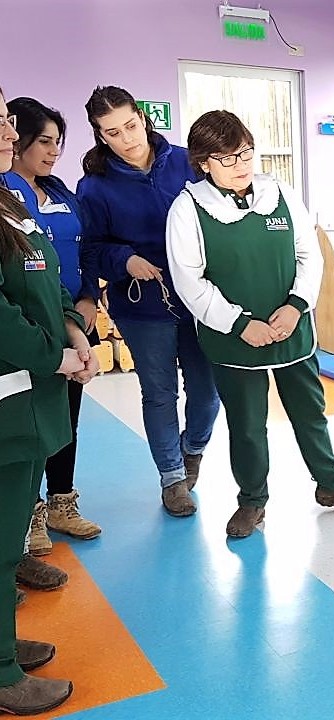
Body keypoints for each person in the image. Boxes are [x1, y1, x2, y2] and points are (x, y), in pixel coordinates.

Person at [165, 110, 334, 538]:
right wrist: (241, 324)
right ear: (204, 162)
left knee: (310, 412)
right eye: (227, 158)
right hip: (235, 340)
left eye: (246, 152)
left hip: (291, 329)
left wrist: (297, 304)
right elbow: (189, 280)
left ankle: (331, 485)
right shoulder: (187, 209)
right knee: (246, 426)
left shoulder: (278, 193)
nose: (242, 163)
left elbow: (309, 255)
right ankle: (252, 501)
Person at [78, 86, 220, 517]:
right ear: (101, 136)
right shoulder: (94, 187)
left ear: (143, 118)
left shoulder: (186, 161)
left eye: (131, 125)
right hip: (142, 304)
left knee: (207, 391)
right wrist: (125, 259)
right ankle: (172, 478)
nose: (127, 138)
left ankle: (192, 450)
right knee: (159, 394)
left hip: (200, 299)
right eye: (113, 132)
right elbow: (91, 248)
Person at [0, 87, 95, 715]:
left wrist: (74, 328)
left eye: (8, 119)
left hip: (33, 394)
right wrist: (52, 354)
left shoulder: (10, 201)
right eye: (0, 123)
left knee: (11, 535)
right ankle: (2, 676)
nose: (9, 131)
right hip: (10, 395)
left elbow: (44, 277)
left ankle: (2, 648)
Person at [4, 97, 102, 561]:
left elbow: (82, 254)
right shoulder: (7, 193)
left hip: (68, 318)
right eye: (43, 141)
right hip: (28, 332)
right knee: (26, 429)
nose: (53, 151)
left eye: (58, 142)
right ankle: (29, 517)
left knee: (64, 418)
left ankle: (61, 500)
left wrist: (86, 306)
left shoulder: (61, 192)